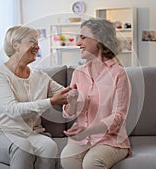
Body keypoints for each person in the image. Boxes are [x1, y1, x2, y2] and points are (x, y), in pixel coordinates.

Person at [0, 25, 70, 169]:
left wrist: (78, 92)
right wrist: (51, 102)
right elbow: (12, 110)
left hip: (31, 134)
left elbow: (66, 94)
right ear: (15, 45)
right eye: (32, 42)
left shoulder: (40, 76)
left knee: (49, 146)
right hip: (0, 134)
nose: (37, 47)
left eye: (37, 43)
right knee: (22, 147)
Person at [60, 18, 132, 169]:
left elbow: (118, 116)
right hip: (81, 140)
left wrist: (88, 130)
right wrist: (72, 102)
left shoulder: (118, 73)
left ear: (100, 40)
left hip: (110, 139)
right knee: (67, 158)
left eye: (83, 37)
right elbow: (69, 114)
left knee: (92, 163)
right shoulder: (79, 72)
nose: (78, 43)